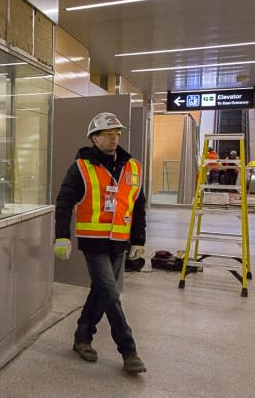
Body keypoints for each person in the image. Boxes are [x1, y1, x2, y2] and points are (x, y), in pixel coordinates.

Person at [53, 112, 147, 375]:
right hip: (93, 242)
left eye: (116, 133)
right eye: (107, 133)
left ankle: (82, 337)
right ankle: (129, 351)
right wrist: (61, 235)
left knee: (101, 292)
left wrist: (139, 239)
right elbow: (64, 203)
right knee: (112, 295)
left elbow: (138, 206)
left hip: (120, 242)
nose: (113, 137)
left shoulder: (133, 167)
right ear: (94, 138)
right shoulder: (81, 167)